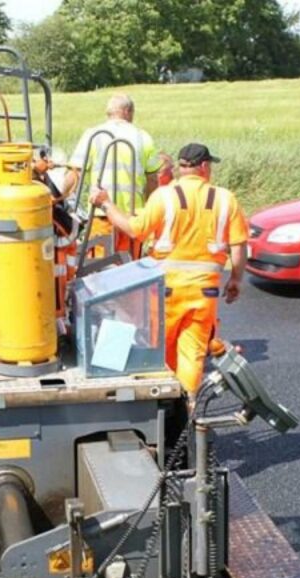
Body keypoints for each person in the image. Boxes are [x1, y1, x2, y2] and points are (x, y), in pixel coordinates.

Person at [91, 143, 249, 395]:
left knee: (157, 353)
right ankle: (187, 410)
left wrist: (107, 204)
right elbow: (239, 246)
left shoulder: (164, 196)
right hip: (204, 292)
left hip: (165, 290)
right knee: (192, 356)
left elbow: (134, 229)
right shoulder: (225, 198)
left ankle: (159, 409)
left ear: (181, 168)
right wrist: (236, 280)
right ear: (205, 167)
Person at [66, 94, 163, 258]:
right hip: (131, 217)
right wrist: (149, 210)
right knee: (129, 268)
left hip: (101, 214)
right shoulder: (142, 137)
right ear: (127, 111)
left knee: (98, 268)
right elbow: (152, 179)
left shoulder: (93, 135)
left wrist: (58, 198)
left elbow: (75, 173)